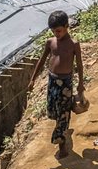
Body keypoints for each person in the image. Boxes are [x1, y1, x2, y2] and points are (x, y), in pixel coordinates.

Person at [30, 10, 85, 158]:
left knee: (62, 115)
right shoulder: (50, 42)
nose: (56, 34)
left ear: (67, 26)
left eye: (59, 30)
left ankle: (62, 146)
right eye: (54, 31)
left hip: (65, 84)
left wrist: (80, 83)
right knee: (53, 111)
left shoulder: (73, 44)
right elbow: (42, 61)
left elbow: (79, 65)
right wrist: (33, 78)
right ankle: (66, 119)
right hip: (52, 82)